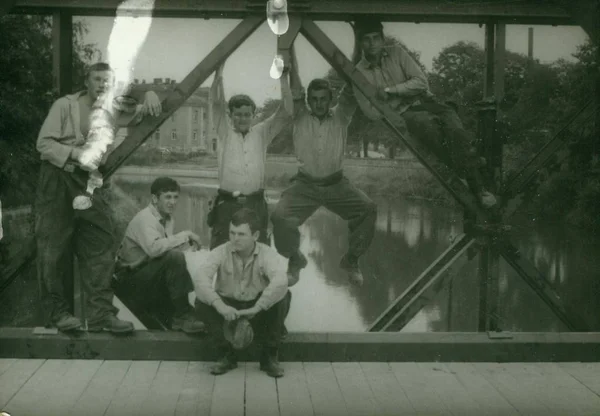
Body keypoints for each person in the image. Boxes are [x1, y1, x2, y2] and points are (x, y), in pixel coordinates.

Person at [35, 62, 161, 333]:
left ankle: (100, 315)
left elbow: (142, 108)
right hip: (58, 179)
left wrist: (150, 91)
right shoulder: (64, 106)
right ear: (87, 81)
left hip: (88, 183)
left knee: (100, 243)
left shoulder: (115, 111)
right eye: (97, 79)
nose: (103, 84)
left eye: (108, 81)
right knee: (53, 248)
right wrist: (75, 154)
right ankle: (57, 313)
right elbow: (43, 144)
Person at [351, 18, 497, 208]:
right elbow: (370, 112)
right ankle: (480, 189)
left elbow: (421, 82)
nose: (372, 44)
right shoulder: (359, 72)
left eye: (375, 38)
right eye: (367, 40)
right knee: (431, 129)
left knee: (456, 131)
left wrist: (390, 92)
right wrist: (403, 95)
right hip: (405, 113)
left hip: (428, 101)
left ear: (382, 38)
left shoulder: (397, 52)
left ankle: (470, 166)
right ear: (360, 43)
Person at [270, 45, 377, 286]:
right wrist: (290, 47)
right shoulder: (299, 115)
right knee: (279, 217)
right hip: (304, 185)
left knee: (368, 208)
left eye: (323, 100)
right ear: (309, 101)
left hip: (336, 184)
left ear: (330, 100)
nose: (319, 104)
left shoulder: (341, 116)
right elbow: (295, 84)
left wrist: (358, 47)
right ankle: (295, 258)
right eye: (314, 100)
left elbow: (351, 87)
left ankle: (351, 260)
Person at [193, 208, 290, 378]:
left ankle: (269, 356)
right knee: (201, 301)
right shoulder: (220, 251)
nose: (234, 238)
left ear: (255, 236)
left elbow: (280, 280)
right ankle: (225, 355)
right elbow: (201, 278)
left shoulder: (267, 253)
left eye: (241, 234)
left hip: (257, 310)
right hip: (228, 310)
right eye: (232, 233)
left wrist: (258, 307)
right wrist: (219, 305)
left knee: (283, 295)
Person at [207, 59, 293, 249]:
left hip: (255, 204)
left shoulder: (262, 132)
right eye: (238, 114)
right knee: (221, 253)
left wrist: (284, 79)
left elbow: (286, 112)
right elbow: (215, 103)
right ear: (230, 116)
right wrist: (218, 73)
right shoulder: (224, 132)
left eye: (247, 115)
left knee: (259, 255)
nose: (243, 119)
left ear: (254, 115)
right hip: (227, 204)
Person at [115, 177, 206, 334]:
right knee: (175, 258)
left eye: (175, 197)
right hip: (130, 280)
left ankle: (186, 313)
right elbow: (154, 249)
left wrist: (188, 248)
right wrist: (186, 234)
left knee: (182, 258)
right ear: (155, 199)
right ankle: (182, 315)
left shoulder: (167, 219)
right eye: (167, 197)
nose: (172, 202)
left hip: (147, 273)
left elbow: (163, 248)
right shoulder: (145, 219)